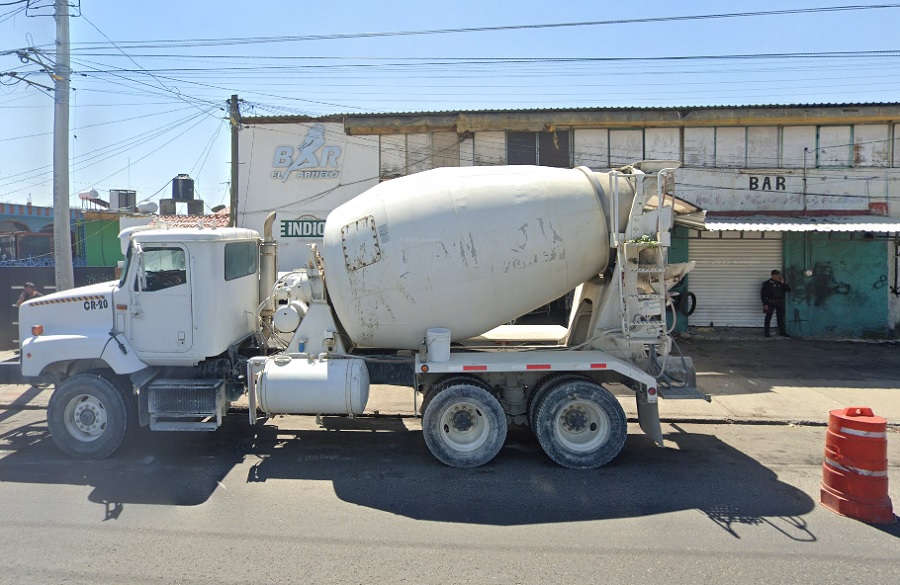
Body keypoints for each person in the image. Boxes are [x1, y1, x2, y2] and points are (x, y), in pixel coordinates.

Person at [761, 270, 791, 338]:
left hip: (780, 302)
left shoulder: (780, 283)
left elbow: (788, 290)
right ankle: (766, 332)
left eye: (779, 275)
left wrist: (783, 283)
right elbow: (763, 295)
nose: (778, 276)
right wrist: (765, 304)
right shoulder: (767, 283)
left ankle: (782, 332)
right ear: (772, 275)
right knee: (768, 317)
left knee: (780, 318)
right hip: (770, 302)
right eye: (776, 275)